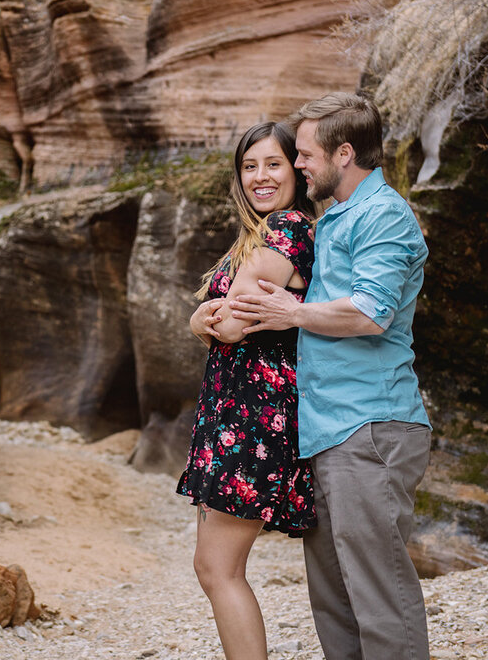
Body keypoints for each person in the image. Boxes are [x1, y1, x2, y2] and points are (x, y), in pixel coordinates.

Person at [230, 92, 432, 660]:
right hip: (326, 433)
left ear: (344, 153)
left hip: (371, 426)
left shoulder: (383, 214)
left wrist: (290, 312)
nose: (297, 165)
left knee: (379, 594)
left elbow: (371, 312)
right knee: (335, 601)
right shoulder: (336, 218)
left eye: (306, 154)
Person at [177, 121, 317, 660]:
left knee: (218, 567)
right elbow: (218, 318)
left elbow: (230, 325)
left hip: (256, 421)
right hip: (234, 414)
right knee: (216, 567)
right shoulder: (259, 235)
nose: (260, 176)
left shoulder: (287, 229)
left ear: (296, 171)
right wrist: (200, 320)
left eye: (273, 164)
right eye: (249, 166)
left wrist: (201, 321)